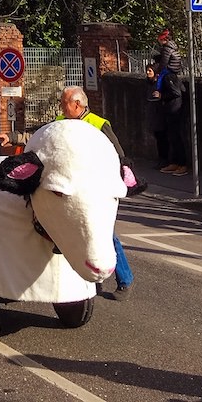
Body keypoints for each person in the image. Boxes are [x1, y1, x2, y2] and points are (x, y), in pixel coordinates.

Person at [58, 86, 134, 297]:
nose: (61, 107)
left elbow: (119, 156)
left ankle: (125, 280)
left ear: (77, 104)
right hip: (70, 189)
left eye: (64, 103)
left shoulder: (99, 124)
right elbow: (41, 136)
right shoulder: (61, 122)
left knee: (105, 235)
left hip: (96, 192)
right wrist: (12, 136)